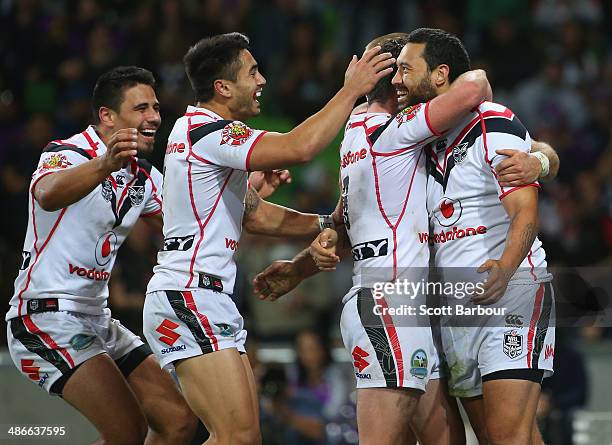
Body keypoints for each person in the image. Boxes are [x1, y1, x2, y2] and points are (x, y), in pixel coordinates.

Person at [255, 29, 560, 445]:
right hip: (422, 305)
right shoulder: (408, 134)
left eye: (406, 70)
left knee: (505, 435)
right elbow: (475, 85)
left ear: (438, 75)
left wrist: (540, 160)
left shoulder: (471, 123)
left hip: (502, 291)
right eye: (394, 71)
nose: (399, 80)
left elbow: (524, 189)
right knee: (493, 436)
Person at [142, 32, 395, 445]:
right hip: (189, 295)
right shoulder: (206, 132)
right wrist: (351, 91)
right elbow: (300, 147)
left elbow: (255, 216)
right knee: (238, 438)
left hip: (204, 297)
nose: (262, 80)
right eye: (252, 72)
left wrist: (325, 225)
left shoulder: (200, 135)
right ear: (222, 88)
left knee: (237, 437)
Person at [5, 66, 198, 444]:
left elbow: (188, 221)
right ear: (107, 116)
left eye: (156, 108)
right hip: (44, 318)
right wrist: (104, 165)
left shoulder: (142, 174)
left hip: (97, 319)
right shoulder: (69, 152)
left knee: (179, 421)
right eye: (141, 108)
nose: (155, 117)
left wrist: (247, 188)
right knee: (126, 431)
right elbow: (46, 193)